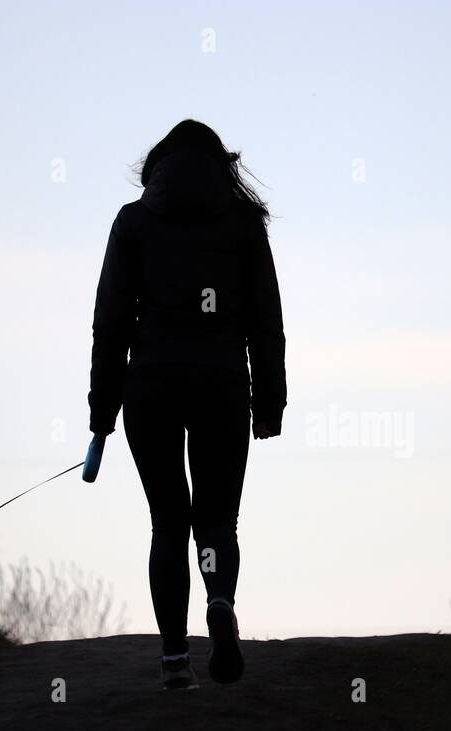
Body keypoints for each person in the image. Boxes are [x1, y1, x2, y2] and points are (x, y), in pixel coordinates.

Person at [88, 119, 286, 690]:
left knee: (167, 523)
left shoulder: (133, 222)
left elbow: (110, 323)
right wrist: (269, 400)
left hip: (149, 386)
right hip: (222, 384)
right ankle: (219, 599)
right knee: (217, 519)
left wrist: (102, 414)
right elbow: (265, 321)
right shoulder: (244, 225)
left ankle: (175, 658)